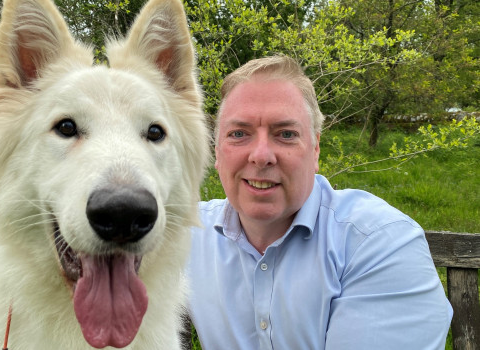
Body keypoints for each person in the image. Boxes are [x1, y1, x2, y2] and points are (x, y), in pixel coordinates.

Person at [187, 55, 453, 349]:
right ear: (216, 152)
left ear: (315, 150)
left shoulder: (380, 243)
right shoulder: (185, 234)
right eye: (238, 134)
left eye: (286, 134)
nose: (261, 155)